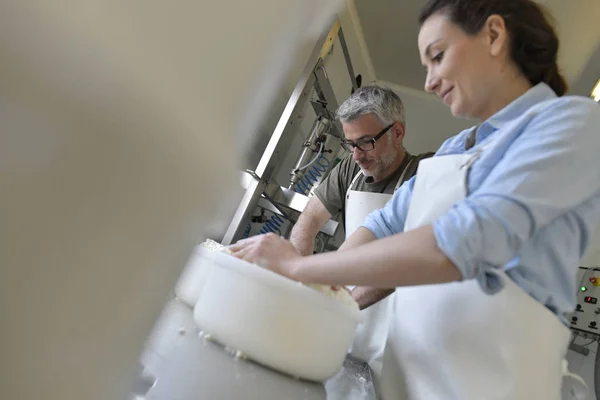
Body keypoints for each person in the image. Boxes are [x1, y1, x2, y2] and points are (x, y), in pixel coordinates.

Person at [231, 0, 600, 398]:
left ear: (494, 36)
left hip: (491, 383)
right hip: (407, 378)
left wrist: (299, 269)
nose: (429, 82)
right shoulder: (455, 148)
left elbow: (458, 244)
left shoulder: (574, 123)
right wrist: (328, 295)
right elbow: (383, 223)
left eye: (437, 57)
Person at [289, 85, 433, 376]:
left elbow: (410, 265)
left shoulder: (425, 173)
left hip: (399, 331)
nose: (356, 155)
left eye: (366, 143)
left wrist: (339, 305)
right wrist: (297, 280)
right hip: (345, 321)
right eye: (350, 144)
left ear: (397, 133)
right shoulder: (349, 171)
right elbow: (308, 222)